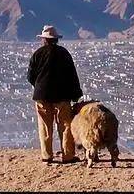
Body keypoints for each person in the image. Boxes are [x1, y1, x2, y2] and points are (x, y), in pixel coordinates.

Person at [26, 24, 82, 164]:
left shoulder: (37, 54)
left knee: (45, 126)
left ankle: (47, 156)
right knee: (65, 125)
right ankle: (68, 156)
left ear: (44, 39)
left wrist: (39, 86)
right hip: (62, 96)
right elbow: (72, 75)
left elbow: (30, 76)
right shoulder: (64, 53)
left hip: (42, 96)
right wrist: (76, 94)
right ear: (56, 39)